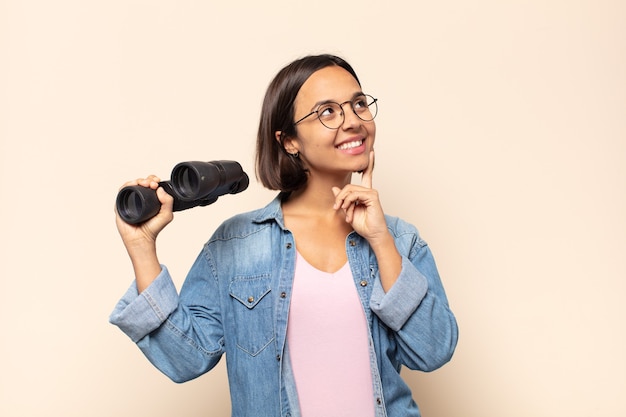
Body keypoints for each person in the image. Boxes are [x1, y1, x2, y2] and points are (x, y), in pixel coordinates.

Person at [110, 54, 459, 417]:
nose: (353, 121)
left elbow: (433, 351)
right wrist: (141, 248)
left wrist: (380, 240)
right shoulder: (237, 245)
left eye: (358, 104)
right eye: (327, 111)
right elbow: (186, 359)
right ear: (289, 140)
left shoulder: (400, 240)